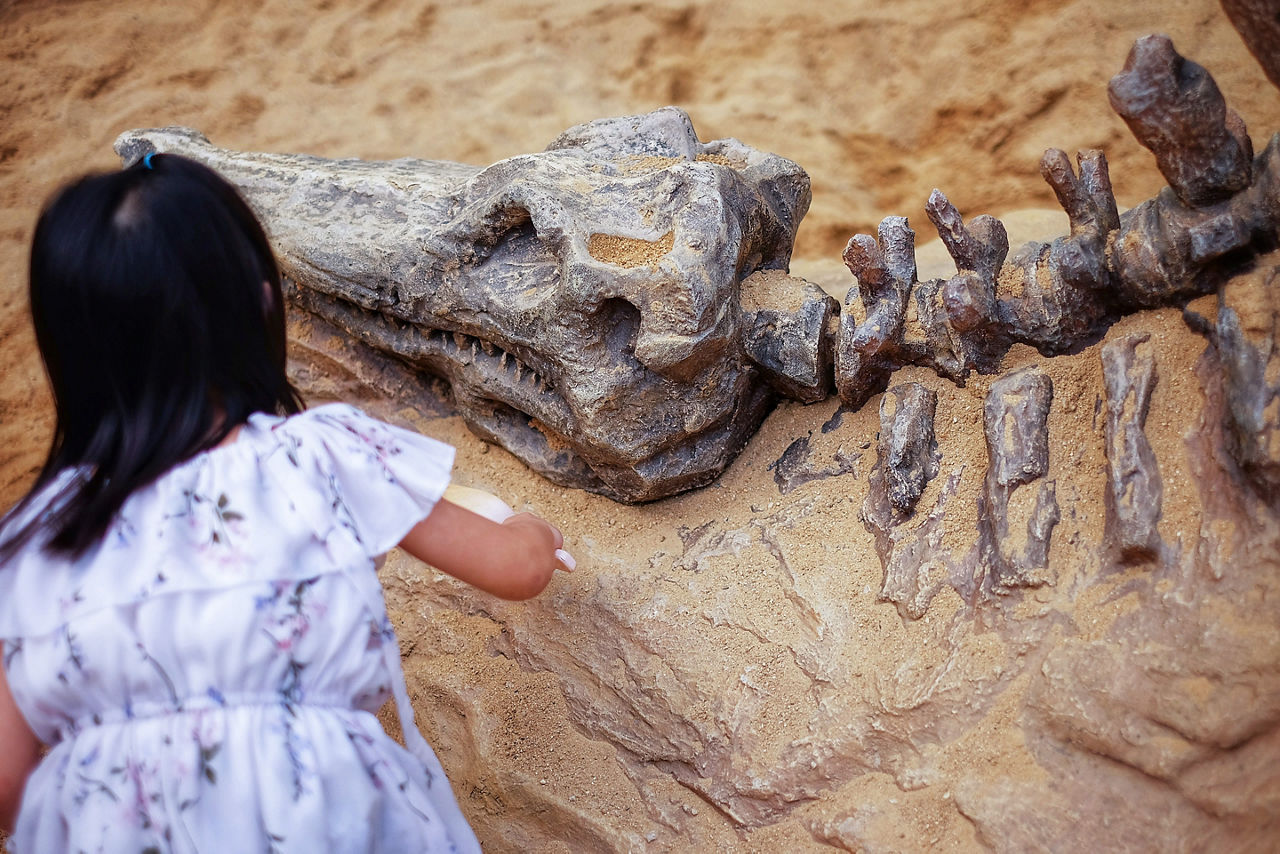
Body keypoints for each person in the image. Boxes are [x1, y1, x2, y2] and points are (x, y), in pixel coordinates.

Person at [0, 152, 570, 852]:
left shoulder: (27, 539)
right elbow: (517, 568)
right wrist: (529, 525)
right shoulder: (316, 455)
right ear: (261, 302)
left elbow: (7, 778)